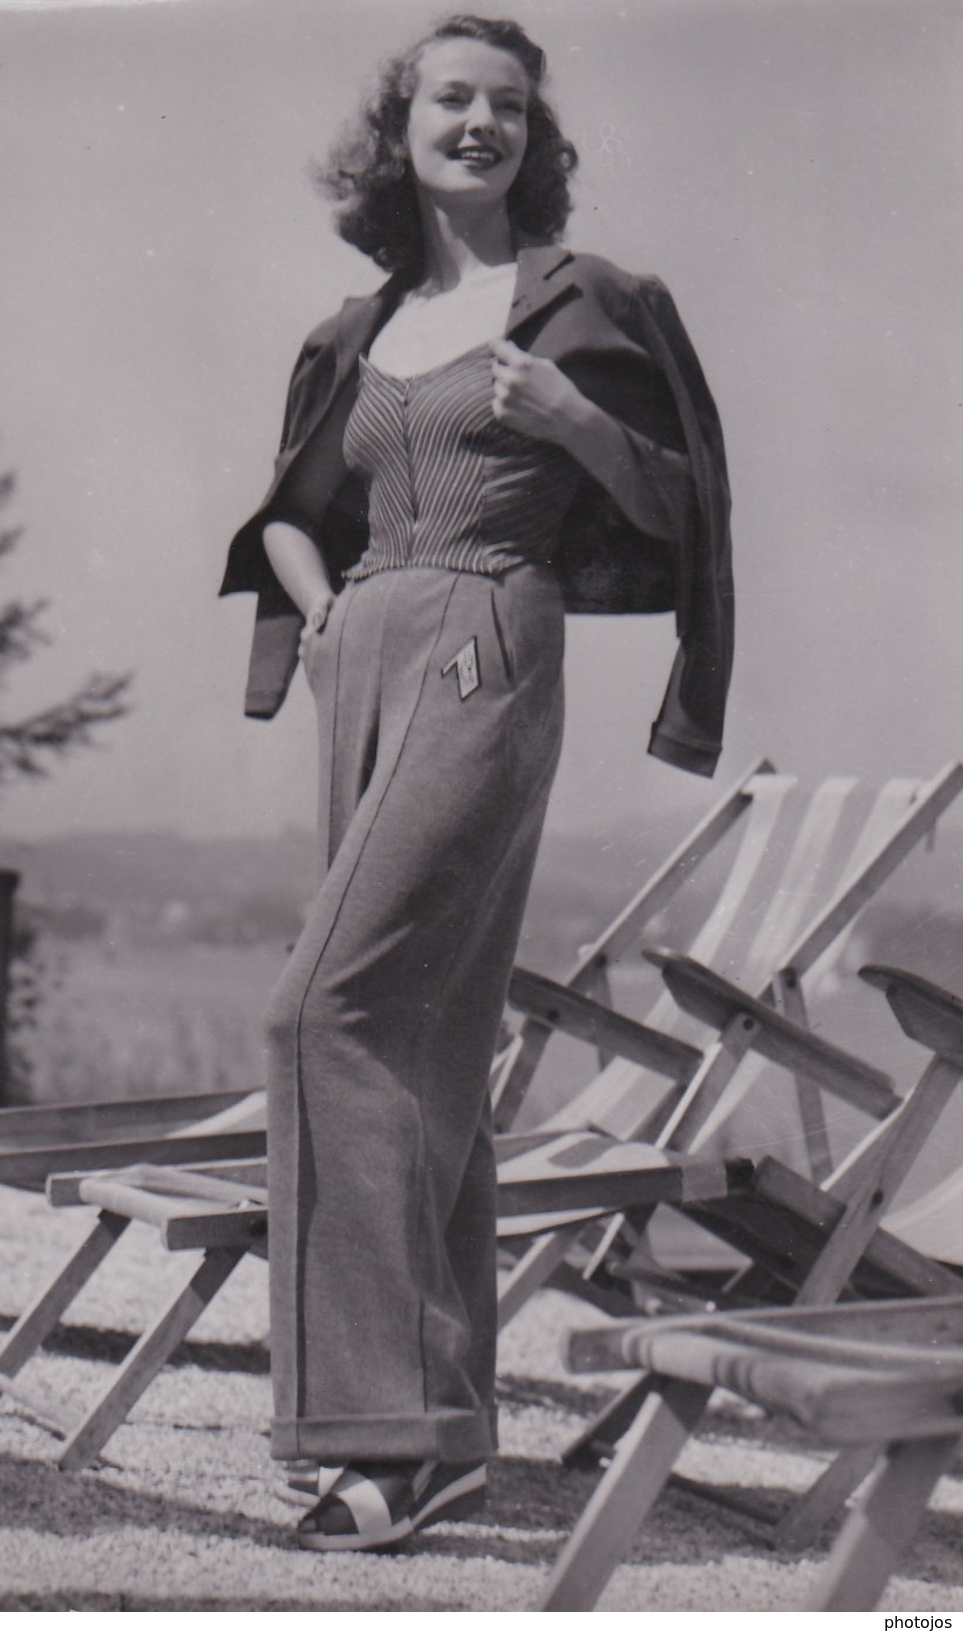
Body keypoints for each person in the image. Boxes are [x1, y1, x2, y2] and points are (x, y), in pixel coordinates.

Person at [220, 13, 733, 1552]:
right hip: (362, 649)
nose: (480, 124)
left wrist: (573, 418)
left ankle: (388, 1426)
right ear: (404, 127)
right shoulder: (359, 326)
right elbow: (287, 513)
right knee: (421, 1037)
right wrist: (319, 615)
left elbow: (684, 505)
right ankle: (436, 1436)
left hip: (485, 642)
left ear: (534, 136)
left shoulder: (588, 303)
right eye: (452, 99)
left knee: (325, 1009)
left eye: (507, 105)